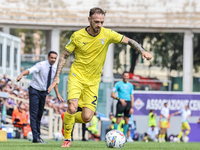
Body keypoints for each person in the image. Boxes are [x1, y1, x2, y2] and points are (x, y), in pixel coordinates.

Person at [47, 7, 152, 148]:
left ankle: (67, 118)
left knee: (87, 117)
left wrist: (142, 51)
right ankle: (67, 139)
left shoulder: (107, 34)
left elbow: (129, 41)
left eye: (102, 22)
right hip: (76, 76)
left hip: (93, 82)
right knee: (72, 107)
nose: (99, 25)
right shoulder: (77, 36)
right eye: (96, 22)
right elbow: (65, 55)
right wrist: (57, 77)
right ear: (89, 19)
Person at [16, 51, 60, 143]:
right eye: (52, 58)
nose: (53, 60)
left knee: (40, 114)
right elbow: (30, 70)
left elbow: (55, 82)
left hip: (44, 93)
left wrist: (58, 94)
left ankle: (38, 136)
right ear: (48, 57)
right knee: (34, 113)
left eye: (55, 58)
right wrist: (21, 74)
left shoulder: (55, 68)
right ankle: (36, 137)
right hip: (34, 90)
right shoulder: (41, 65)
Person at [111, 71, 134, 138]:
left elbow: (132, 96)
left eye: (127, 76)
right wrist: (120, 99)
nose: (126, 77)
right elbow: (112, 94)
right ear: (122, 76)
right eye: (125, 76)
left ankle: (123, 137)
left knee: (127, 121)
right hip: (120, 103)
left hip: (128, 103)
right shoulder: (118, 84)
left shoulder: (130, 85)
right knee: (118, 120)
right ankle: (115, 136)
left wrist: (132, 107)